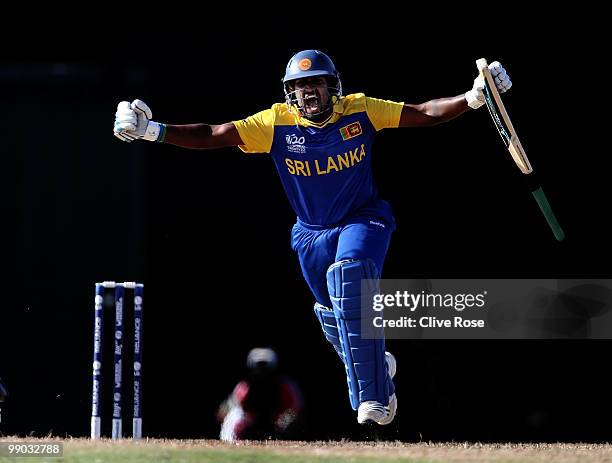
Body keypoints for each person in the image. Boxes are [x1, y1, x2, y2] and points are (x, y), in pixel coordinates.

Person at [113, 50, 512, 426]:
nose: (309, 92)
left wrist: (474, 97)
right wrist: (152, 131)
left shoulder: (359, 109)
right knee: (331, 314)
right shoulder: (276, 122)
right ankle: (378, 366)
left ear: (332, 86)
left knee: (350, 277)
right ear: (290, 93)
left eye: (317, 84)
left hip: (363, 218)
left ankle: (374, 400)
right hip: (310, 234)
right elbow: (214, 133)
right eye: (301, 86)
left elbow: (425, 113)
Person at [216, 348, 303, 441]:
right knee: (235, 415)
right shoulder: (244, 387)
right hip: (251, 427)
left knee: (290, 421)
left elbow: (297, 409)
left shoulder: (285, 386)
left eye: (265, 366)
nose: (262, 370)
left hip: (277, 426)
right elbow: (224, 412)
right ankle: (229, 445)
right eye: (258, 366)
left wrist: (284, 420)